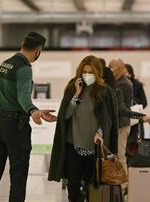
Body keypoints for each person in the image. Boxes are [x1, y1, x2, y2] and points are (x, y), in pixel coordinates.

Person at [0, 32, 57, 202]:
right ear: (38, 51)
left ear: (22, 43)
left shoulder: (5, 63)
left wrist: (32, 109)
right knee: (18, 177)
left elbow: (8, 95)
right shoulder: (24, 68)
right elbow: (23, 96)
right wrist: (33, 110)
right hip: (15, 127)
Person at [48, 55, 119, 202]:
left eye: (91, 72)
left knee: (92, 186)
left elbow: (108, 120)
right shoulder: (72, 87)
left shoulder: (105, 92)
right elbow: (65, 115)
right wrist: (76, 94)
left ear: (98, 72)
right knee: (72, 186)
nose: (87, 75)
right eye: (85, 71)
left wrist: (100, 133)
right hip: (73, 145)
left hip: (94, 148)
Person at [109, 59, 133, 176]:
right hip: (119, 124)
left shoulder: (123, 84)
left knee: (120, 154)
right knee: (117, 154)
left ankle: (123, 184)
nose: (109, 69)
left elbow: (119, 106)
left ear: (118, 69)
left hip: (121, 124)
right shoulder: (118, 82)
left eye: (110, 66)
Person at [124, 63, 148, 145]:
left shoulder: (137, 85)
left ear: (130, 74)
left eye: (125, 73)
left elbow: (144, 102)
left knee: (135, 144)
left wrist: (133, 103)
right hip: (123, 120)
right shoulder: (118, 85)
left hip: (135, 119)